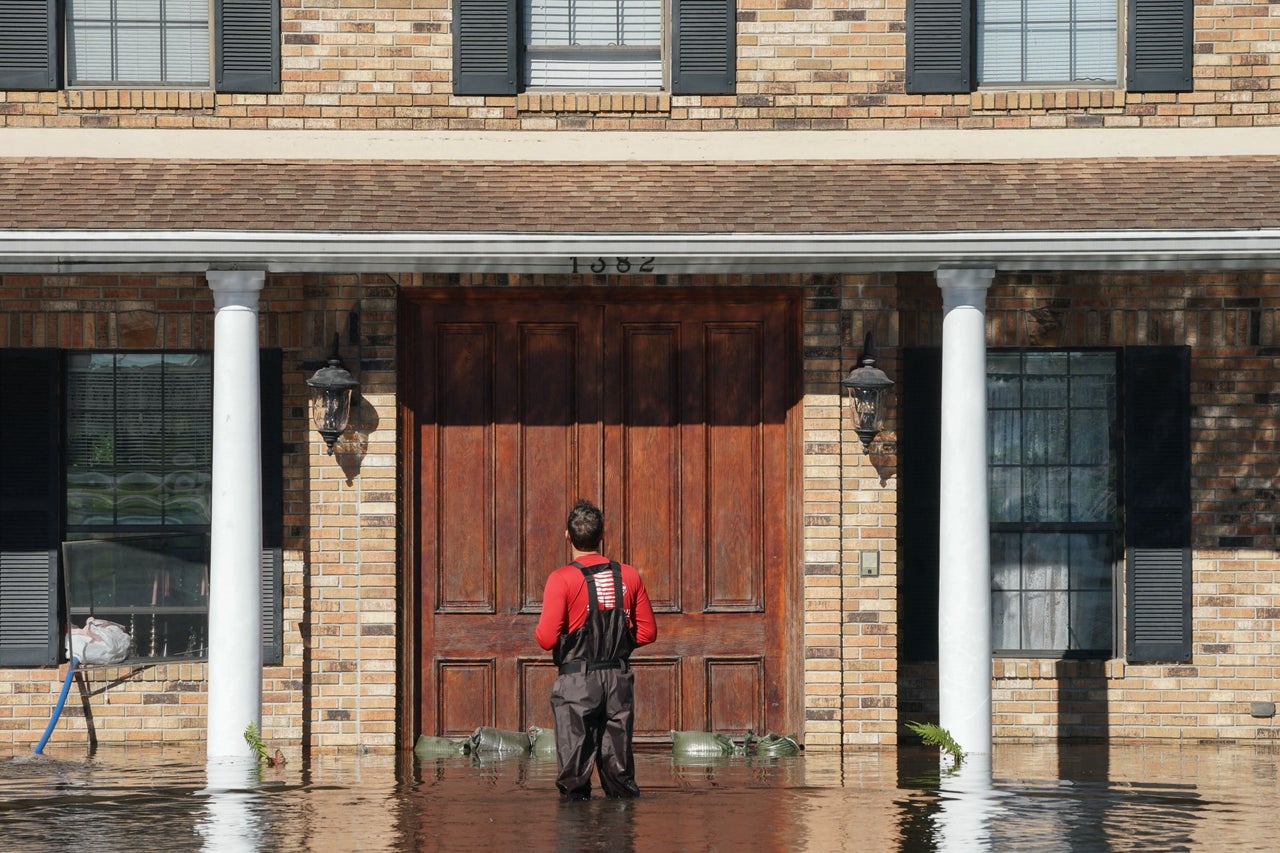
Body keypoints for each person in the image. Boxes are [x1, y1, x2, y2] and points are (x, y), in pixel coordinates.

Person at [535, 499, 657, 800]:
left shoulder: (561, 579)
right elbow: (648, 632)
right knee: (620, 777)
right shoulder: (629, 576)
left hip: (577, 683)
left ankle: (578, 838)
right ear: (602, 536)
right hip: (617, 682)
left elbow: (547, 639)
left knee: (575, 779)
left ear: (568, 536)